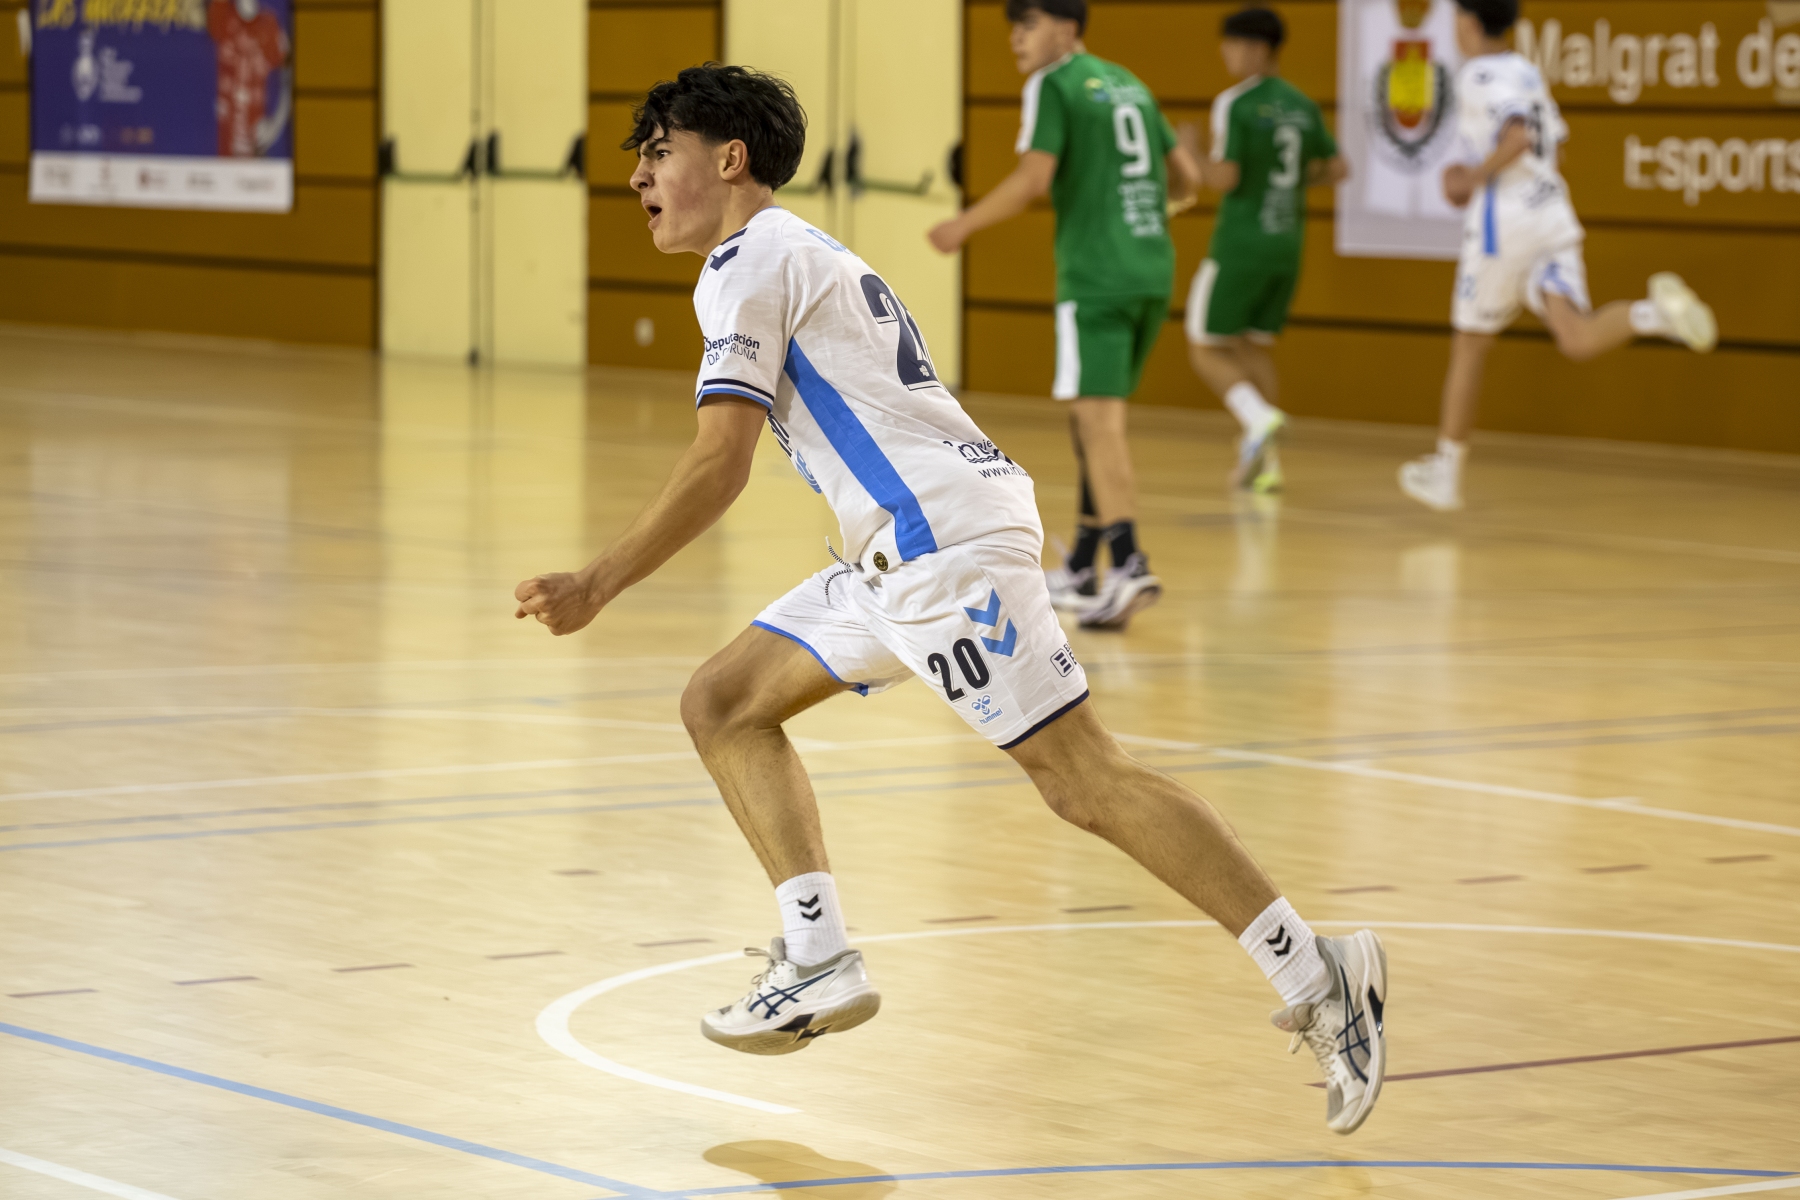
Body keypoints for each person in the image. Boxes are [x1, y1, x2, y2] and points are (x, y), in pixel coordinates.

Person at [515, 63, 1390, 1136]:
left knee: (1083, 780)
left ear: (728, 158)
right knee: (723, 703)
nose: (640, 178)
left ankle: (1319, 974)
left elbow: (719, 461)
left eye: (659, 153)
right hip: (900, 551)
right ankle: (817, 958)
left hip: (939, 548)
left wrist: (596, 582)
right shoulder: (793, 250)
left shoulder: (750, 261)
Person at [927, 0, 1201, 629]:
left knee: (1099, 425)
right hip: (1151, 270)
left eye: (1029, 25)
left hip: (1096, 277)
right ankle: (1082, 563)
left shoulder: (1052, 85)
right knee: (1091, 419)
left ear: (1068, 28)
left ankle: (1129, 564)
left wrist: (962, 226)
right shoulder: (1129, 83)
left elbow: (1033, 180)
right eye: (1013, 28)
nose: (1017, 39)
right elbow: (1186, 179)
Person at [1400, 0, 1717, 512]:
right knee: (1575, 336)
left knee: (1471, 344)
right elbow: (1557, 148)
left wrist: (1471, 178)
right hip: (1552, 212)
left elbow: (1518, 135)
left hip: (1505, 225)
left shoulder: (1477, 74)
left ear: (1468, 22)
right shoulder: (1526, 70)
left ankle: (1446, 474)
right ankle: (1654, 315)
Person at [1183, 7, 1347, 493]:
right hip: (1287, 245)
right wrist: (1289, 181)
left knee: (1203, 346)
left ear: (1257, 48)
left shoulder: (1235, 104)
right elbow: (1338, 168)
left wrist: (1191, 151)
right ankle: (1267, 464)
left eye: (1232, 44)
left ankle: (1256, 418)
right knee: (1253, 346)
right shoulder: (1302, 104)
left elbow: (1224, 178)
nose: (1225, 53)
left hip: (1241, 245)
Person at [208, 0, 291, 158]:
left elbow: (289, 78)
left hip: (255, 143)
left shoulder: (270, 25)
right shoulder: (223, 16)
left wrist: (275, 125)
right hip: (222, 146)